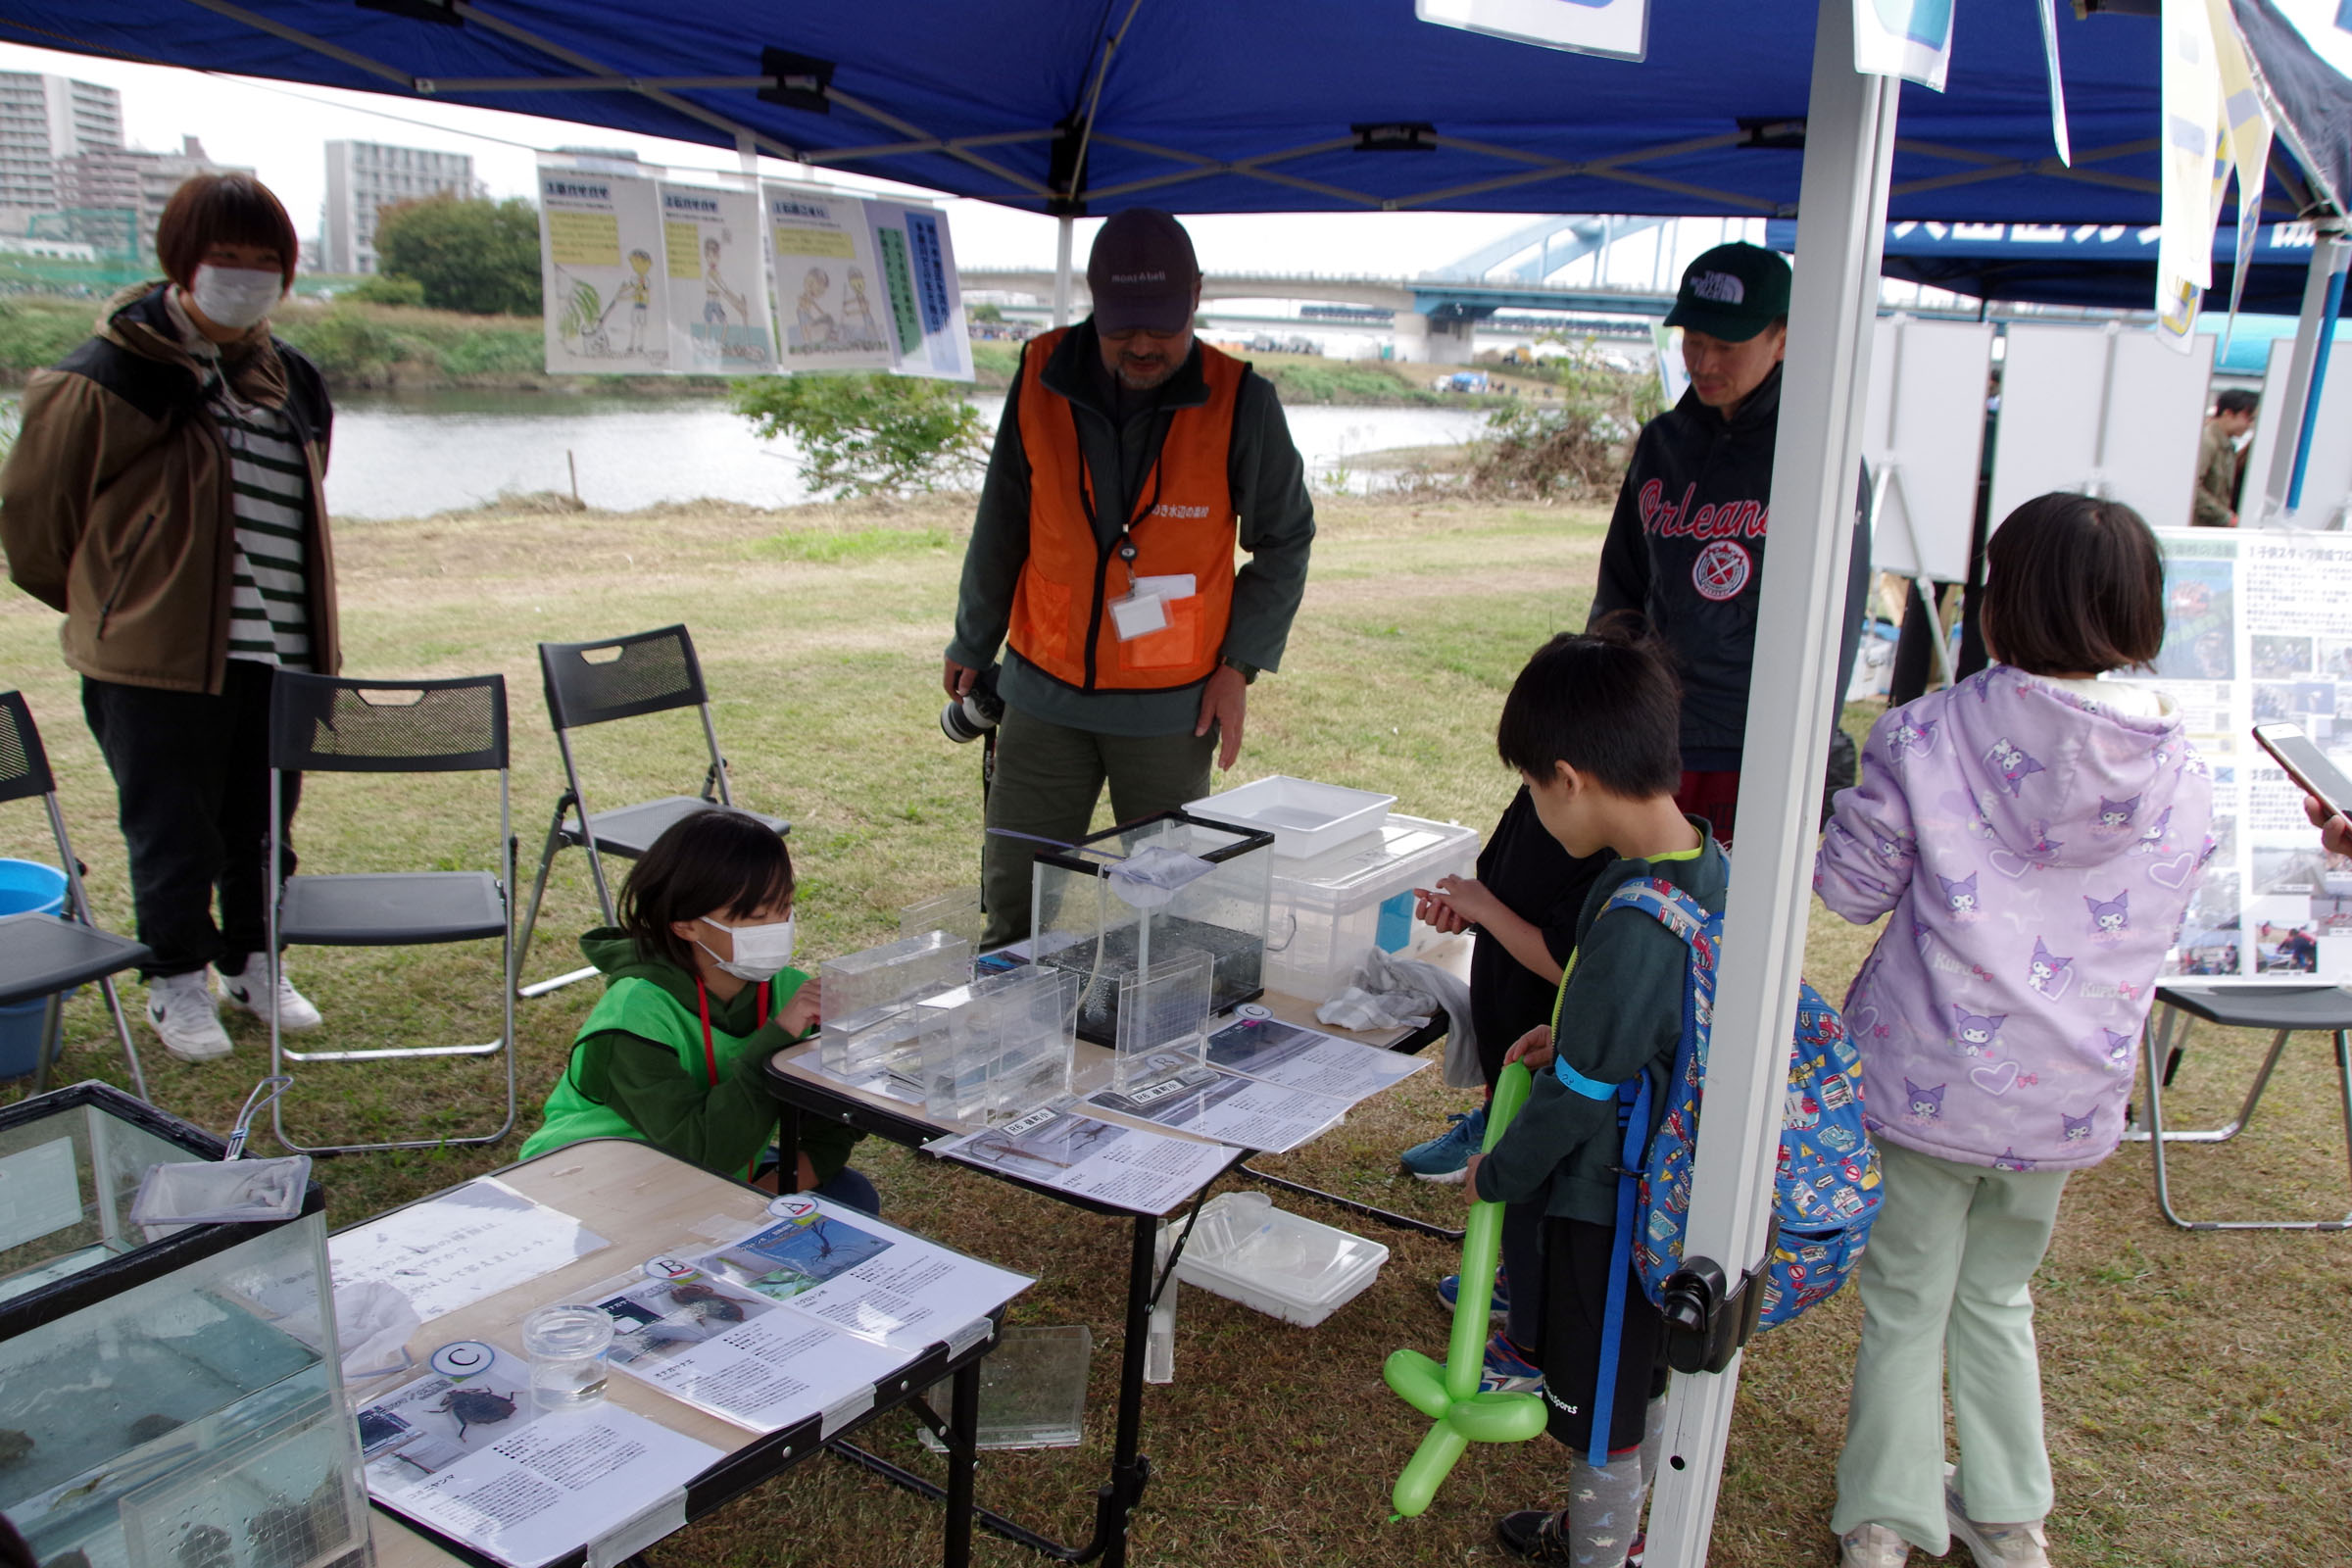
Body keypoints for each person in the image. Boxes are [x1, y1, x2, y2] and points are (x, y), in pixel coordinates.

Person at [1400, 243, 1870, 1375]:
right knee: (1536, 899)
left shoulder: (1812, 453)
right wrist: (1601, 692)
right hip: (1635, 730)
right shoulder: (1663, 445)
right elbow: (1621, 583)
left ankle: (1618, 1188)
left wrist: (1789, 765)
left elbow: (1835, 622)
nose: (1703, 361)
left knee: (1676, 980)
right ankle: (1516, 1100)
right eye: (1691, 340)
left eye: (1727, 342)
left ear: (1785, 337)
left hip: (1735, 754)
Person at [1814, 493, 2215, 1568]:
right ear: (2141, 609)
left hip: (1925, 1073)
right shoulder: (2179, 768)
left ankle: (1885, 1520)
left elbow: (1850, 891)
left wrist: (1844, 797)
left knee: (1907, 1298)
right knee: (1997, 1292)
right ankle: (2007, 1514)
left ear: (2000, 604)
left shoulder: (1925, 731)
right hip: (2067, 1093)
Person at [1, 173, 335, 1064]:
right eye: (226, 258)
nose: (246, 276)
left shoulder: (288, 374)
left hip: (279, 649)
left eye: (266, 262)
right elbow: (36, 521)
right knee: (170, 824)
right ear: (181, 262)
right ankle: (175, 980)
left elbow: (309, 486)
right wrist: (118, 610)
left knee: (263, 820)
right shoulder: (106, 371)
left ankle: (254, 961)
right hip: (155, 657)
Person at [945, 208, 1316, 947]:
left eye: (1162, 327)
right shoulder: (1039, 373)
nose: (1143, 346)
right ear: (1094, 300)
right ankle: (1011, 1032)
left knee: (1168, 912)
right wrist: (971, 637)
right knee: (1014, 903)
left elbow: (1285, 539)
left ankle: (1159, 1045)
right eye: (1123, 330)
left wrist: (1240, 664)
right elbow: (1002, 520)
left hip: (1169, 711)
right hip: (1040, 690)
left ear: (1197, 298)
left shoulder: (1242, 400)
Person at [1462, 619, 1727, 1568]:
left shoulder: (1630, 921)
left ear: (1568, 777)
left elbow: (1578, 1099)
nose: (1536, 808)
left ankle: (1601, 1547)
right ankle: (1610, 1530)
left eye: (1534, 788)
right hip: (1673, 1190)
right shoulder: (1701, 862)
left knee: (1607, 1398)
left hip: (1607, 1202)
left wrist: (1500, 1172)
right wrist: (1568, 1029)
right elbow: (1637, 1024)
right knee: (1646, 1378)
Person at [518, 809, 875, 1211]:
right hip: (590, 1182)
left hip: (717, 1172)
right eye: (757, 916)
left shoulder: (788, 990)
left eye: (785, 907)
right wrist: (778, 1037)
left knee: (851, 1198)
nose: (779, 926)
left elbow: (832, 1128)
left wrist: (769, 1195)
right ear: (684, 925)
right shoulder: (635, 1014)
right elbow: (701, 1154)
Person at [2193, 388, 2257, 527]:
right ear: (2228, 413)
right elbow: (2194, 487)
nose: (2249, 425)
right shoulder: (2207, 442)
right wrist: (2226, 517)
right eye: (2248, 418)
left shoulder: (2226, 446)